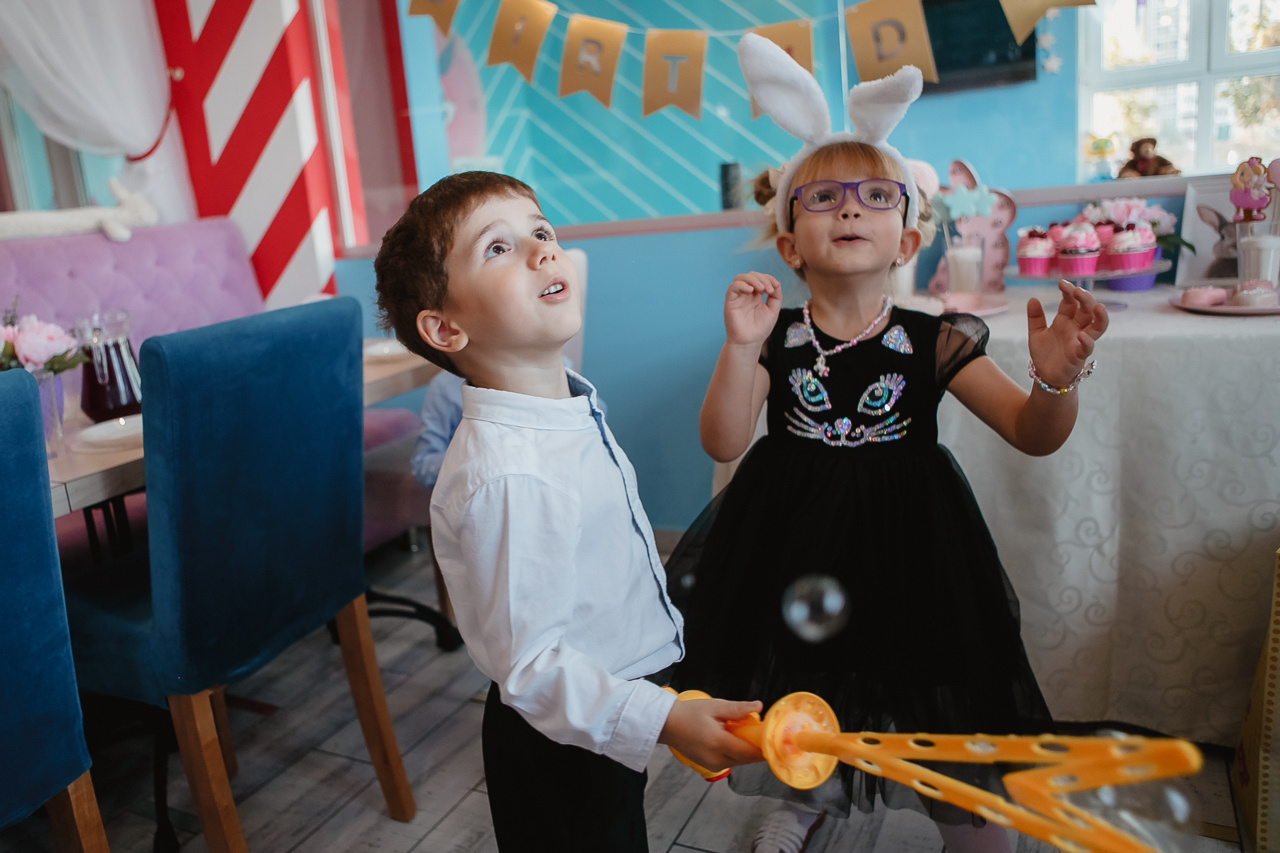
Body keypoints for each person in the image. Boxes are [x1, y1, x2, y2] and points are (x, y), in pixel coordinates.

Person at [666, 36, 1109, 853]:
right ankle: (807, 798)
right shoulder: (771, 335)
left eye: (875, 196)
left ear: (907, 240)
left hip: (918, 546)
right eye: (824, 197)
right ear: (790, 243)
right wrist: (736, 347)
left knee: (935, 682)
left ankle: (965, 817)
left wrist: (1055, 380)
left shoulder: (931, 338)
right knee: (810, 683)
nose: (849, 208)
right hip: (795, 546)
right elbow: (723, 437)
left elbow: (1031, 433)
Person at [374, 170, 763, 851]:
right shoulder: (505, 472)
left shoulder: (562, 409)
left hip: (590, 713)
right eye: (497, 247)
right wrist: (663, 719)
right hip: (556, 739)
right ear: (445, 326)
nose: (542, 251)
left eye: (542, 230)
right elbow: (533, 666)